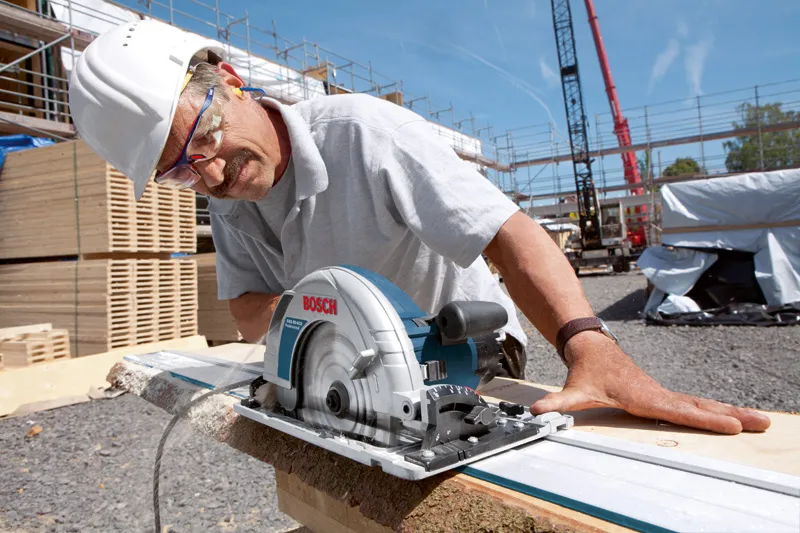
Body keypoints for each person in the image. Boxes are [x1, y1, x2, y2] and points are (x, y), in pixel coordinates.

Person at [69, 19, 769, 435]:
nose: (212, 175)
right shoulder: (226, 198)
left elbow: (507, 229)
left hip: (466, 352)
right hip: (346, 362)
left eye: (206, 139)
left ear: (228, 77)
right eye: (182, 172)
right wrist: (332, 317)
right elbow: (248, 311)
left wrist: (590, 345)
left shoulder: (364, 134)